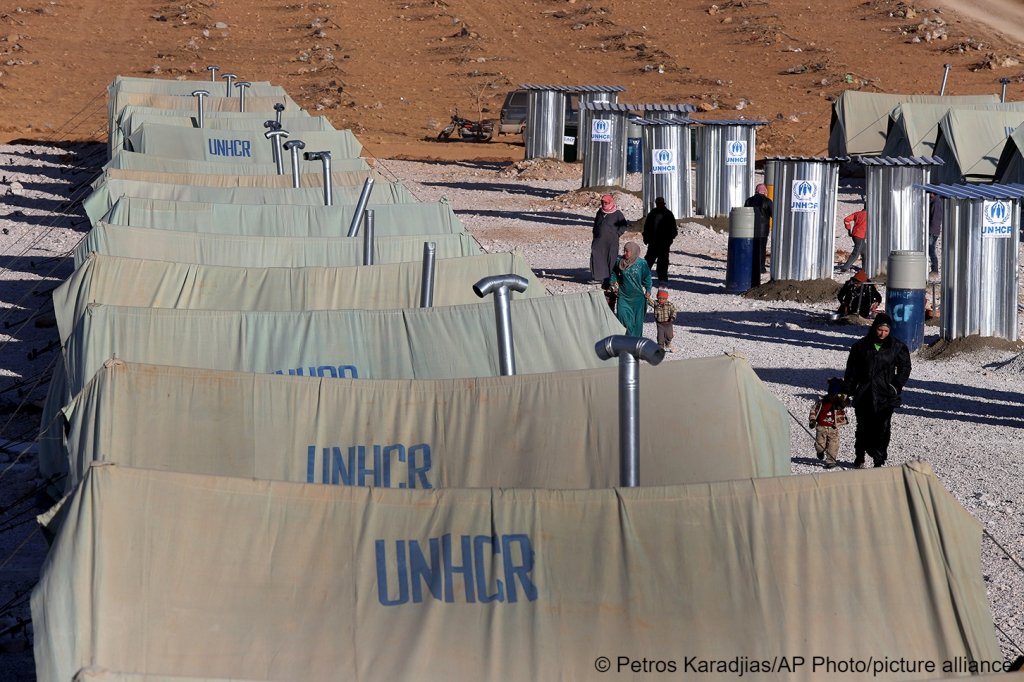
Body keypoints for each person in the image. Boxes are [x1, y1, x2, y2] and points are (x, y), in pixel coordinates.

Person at [843, 313, 911, 468]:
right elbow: (852, 370)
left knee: (882, 428)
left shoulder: (897, 347)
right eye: (880, 330)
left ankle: (879, 459)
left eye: (886, 331)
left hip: (885, 394)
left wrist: (895, 385)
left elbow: (905, 368)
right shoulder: (860, 346)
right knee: (863, 427)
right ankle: (860, 456)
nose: (882, 334)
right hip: (864, 393)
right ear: (874, 328)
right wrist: (847, 390)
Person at [608, 241, 653, 337]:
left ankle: (635, 343)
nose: (624, 253)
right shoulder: (619, 261)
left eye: (627, 251)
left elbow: (647, 278)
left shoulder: (642, 263)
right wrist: (613, 285)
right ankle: (626, 340)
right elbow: (613, 273)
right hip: (623, 296)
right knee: (623, 319)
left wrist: (648, 290)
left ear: (633, 252)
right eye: (624, 250)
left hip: (638, 299)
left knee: (637, 323)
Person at [808, 377, 849, 470]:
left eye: (835, 396)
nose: (833, 398)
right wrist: (812, 420)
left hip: (833, 427)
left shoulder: (840, 402)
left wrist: (842, 399)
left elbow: (846, 401)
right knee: (820, 445)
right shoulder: (822, 402)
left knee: (834, 445)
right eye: (831, 395)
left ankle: (831, 461)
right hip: (821, 427)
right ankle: (820, 451)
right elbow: (813, 410)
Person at [591, 193, 629, 285]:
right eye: (603, 202)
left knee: (611, 258)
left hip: (611, 241)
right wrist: (595, 233)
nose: (604, 204)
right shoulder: (600, 212)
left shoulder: (617, 214)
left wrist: (617, 234)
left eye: (606, 202)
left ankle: (610, 277)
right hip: (599, 240)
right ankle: (599, 276)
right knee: (597, 256)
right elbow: (596, 224)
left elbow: (623, 225)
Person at [641, 197, 678, 282]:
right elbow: (647, 227)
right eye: (658, 203)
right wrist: (646, 238)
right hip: (653, 243)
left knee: (662, 263)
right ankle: (643, 278)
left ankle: (663, 280)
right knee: (648, 262)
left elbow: (673, 230)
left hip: (663, 244)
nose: (659, 205)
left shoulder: (668, 214)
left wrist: (669, 240)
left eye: (660, 203)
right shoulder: (652, 214)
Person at [744, 183, 773, 275]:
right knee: (761, 249)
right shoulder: (767, 201)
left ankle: (749, 266)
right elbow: (773, 214)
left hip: (750, 229)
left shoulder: (749, 200)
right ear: (765, 191)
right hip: (762, 230)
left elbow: (744, 213)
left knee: (751, 248)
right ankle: (761, 268)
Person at [838, 207, 867, 272]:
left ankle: (864, 269)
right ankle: (845, 268)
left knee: (865, 253)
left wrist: (849, 230)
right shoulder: (870, 215)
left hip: (854, 235)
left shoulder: (857, 213)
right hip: (861, 236)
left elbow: (846, 219)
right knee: (856, 253)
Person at [928, 192, 943, 276]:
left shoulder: (936, 203)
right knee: (931, 249)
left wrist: (930, 230)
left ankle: (935, 269)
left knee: (931, 249)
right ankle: (934, 269)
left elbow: (934, 218)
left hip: (933, 231)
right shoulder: (936, 202)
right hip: (934, 230)